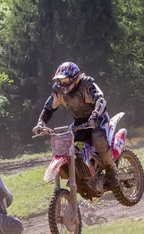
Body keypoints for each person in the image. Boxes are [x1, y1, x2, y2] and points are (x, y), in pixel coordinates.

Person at [32, 61, 119, 189]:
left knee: (99, 141)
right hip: (80, 123)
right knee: (70, 148)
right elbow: (48, 108)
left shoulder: (87, 84)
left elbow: (100, 100)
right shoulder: (58, 92)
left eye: (66, 80)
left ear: (75, 78)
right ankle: (82, 175)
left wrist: (95, 115)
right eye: (60, 81)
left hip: (98, 119)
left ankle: (112, 171)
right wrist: (41, 123)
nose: (63, 84)